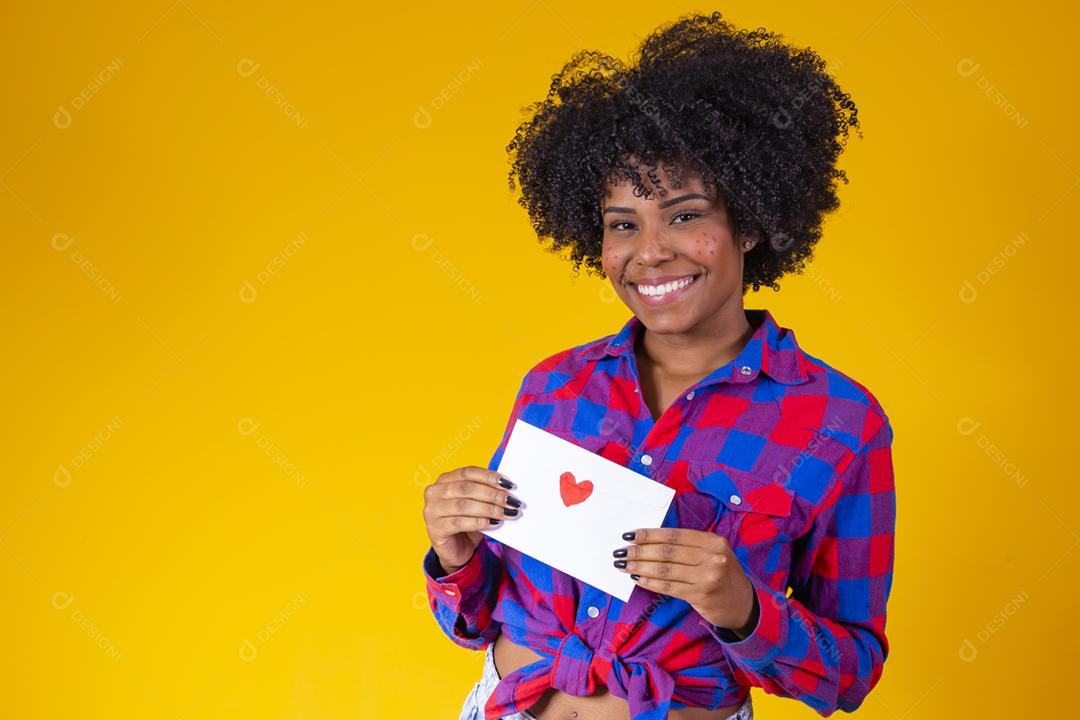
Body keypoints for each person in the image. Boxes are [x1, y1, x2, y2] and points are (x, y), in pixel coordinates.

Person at [422, 11, 894, 720]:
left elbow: (848, 673)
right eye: (622, 224)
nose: (650, 253)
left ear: (752, 221)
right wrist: (457, 557)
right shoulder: (554, 387)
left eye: (684, 216)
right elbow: (479, 619)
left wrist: (743, 608)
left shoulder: (840, 422)